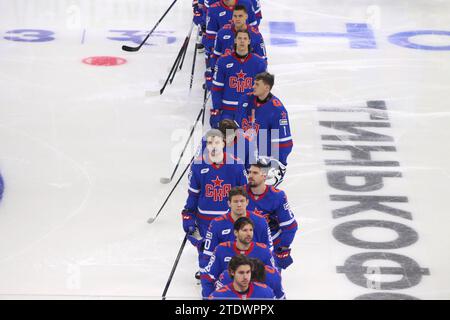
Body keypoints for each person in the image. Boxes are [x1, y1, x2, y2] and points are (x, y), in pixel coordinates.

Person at [182, 129, 248, 276]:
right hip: (205, 219)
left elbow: (244, 194)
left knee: (230, 249)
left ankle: (230, 274)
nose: (213, 146)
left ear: (223, 144)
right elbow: (193, 195)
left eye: (217, 142)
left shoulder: (236, 165)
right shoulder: (198, 165)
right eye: (210, 143)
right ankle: (206, 273)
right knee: (206, 248)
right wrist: (188, 214)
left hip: (230, 218)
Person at [201, 217, 275, 297]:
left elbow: (273, 277)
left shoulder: (263, 251)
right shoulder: (221, 249)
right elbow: (208, 276)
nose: (249, 233)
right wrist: (208, 296)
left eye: (251, 230)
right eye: (244, 230)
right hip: (227, 297)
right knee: (226, 276)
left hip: (255, 296)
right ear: (236, 232)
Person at [245, 158, 298, 269]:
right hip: (245, 245)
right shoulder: (240, 193)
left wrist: (282, 247)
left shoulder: (277, 196)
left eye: (255, 173)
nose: (250, 175)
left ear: (264, 176)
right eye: (249, 172)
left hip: (270, 245)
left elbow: (290, 226)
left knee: (269, 282)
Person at [210, 29, 267, 128]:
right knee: (229, 141)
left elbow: (263, 90)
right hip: (228, 112)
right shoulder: (223, 61)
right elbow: (217, 88)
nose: (242, 41)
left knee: (248, 142)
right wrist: (217, 109)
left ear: (249, 41)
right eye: (239, 38)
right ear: (235, 40)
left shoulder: (259, 63)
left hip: (249, 111)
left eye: (245, 38)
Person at [202, 186, 272, 264]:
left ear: (247, 202)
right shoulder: (216, 224)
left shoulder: (260, 221)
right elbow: (208, 255)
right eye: (235, 201)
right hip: (226, 271)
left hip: (254, 270)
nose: (239, 205)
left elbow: (269, 253)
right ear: (229, 203)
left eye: (242, 201)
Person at [237, 72, 293, 167]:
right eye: (254, 83)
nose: (253, 86)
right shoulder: (245, 99)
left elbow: (284, 143)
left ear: (267, 88)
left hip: (263, 163)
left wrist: (276, 165)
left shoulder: (277, 110)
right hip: (243, 157)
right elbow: (236, 125)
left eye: (257, 84)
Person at [209, 5, 266, 73]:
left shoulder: (256, 35)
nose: (237, 19)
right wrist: (215, 71)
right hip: (227, 73)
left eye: (240, 16)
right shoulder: (222, 32)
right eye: (235, 16)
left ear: (246, 16)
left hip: (248, 75)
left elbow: (262, 60)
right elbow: (216, 55)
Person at [209, 255, 275, 300]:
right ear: (232, 272)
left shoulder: (266, 293)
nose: (245, 277)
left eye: (248, 272)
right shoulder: (218, 297)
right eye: (241, 273)